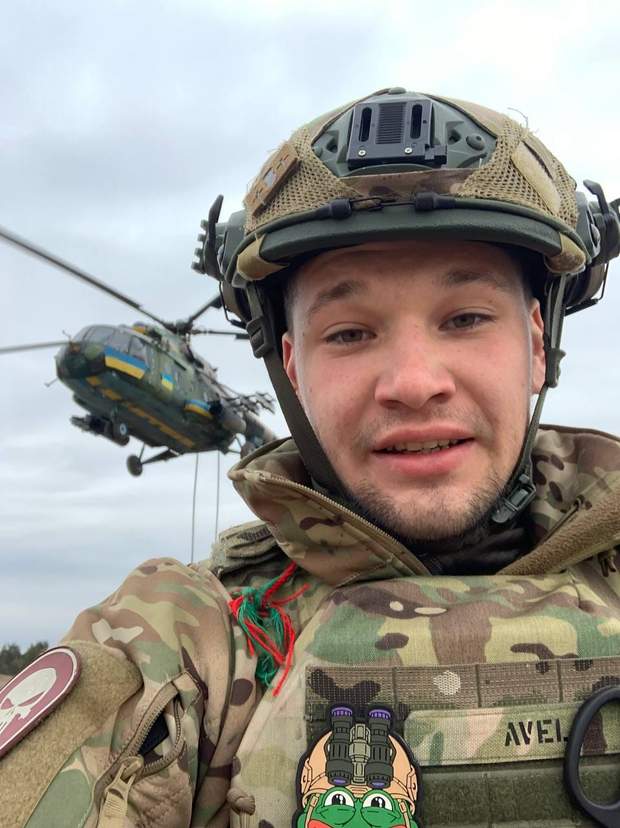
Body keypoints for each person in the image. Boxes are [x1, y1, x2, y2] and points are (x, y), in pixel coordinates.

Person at [2, 88, 620, 828]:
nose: (414, 383)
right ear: (292, 368)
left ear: (536, 346)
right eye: (350, 333)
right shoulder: (186, 636)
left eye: (465, 318)